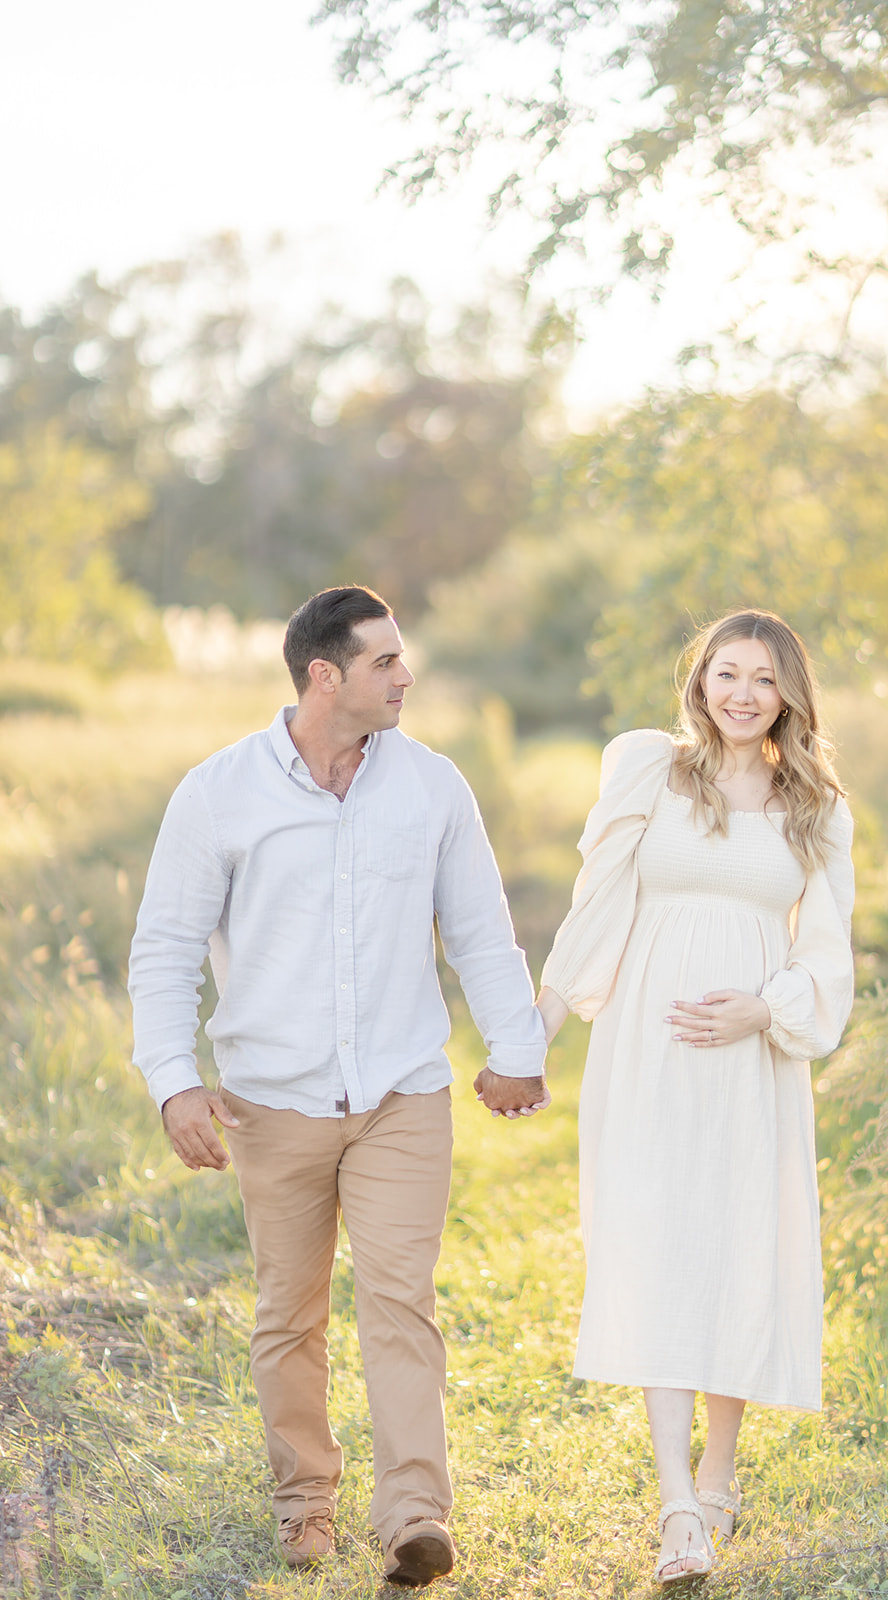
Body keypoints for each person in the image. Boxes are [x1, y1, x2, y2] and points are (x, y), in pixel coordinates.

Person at [128, 584, 548, 1587]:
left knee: (401, 1299)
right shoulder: (219, 793)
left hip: (402, 1093)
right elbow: (166, 947)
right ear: (325, 675)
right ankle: (303, 1502)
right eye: (384, 662)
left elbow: (480, 930)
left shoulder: (433, 786)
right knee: (290, 1310)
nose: (406, 676)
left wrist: (516, 1044)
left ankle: (413, 1514)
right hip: (271, 1101)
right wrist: (174, 1083)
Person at [535, 608, 854, 1584]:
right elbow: (597, 909)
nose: (742, 692)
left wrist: (764, 1010)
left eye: (762, 677)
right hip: (649, 1050)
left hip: (750, 1061)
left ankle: (719, 1467)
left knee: (734, 1248)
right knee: (656, 1242)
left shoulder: (815, 804)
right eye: (725, 672)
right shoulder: (647, 768)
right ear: (699, 680)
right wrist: (532, 1035)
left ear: (786, 692)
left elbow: (827, 947)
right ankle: (677, 1502)